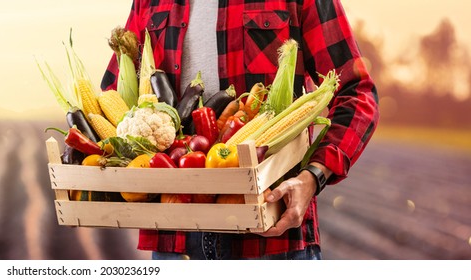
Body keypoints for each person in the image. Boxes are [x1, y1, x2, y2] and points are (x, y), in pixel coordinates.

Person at [101, 0, 379, 260]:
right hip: (175, 241)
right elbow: (114, 95)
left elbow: (357, 94)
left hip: (271, 236)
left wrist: (312, 176)